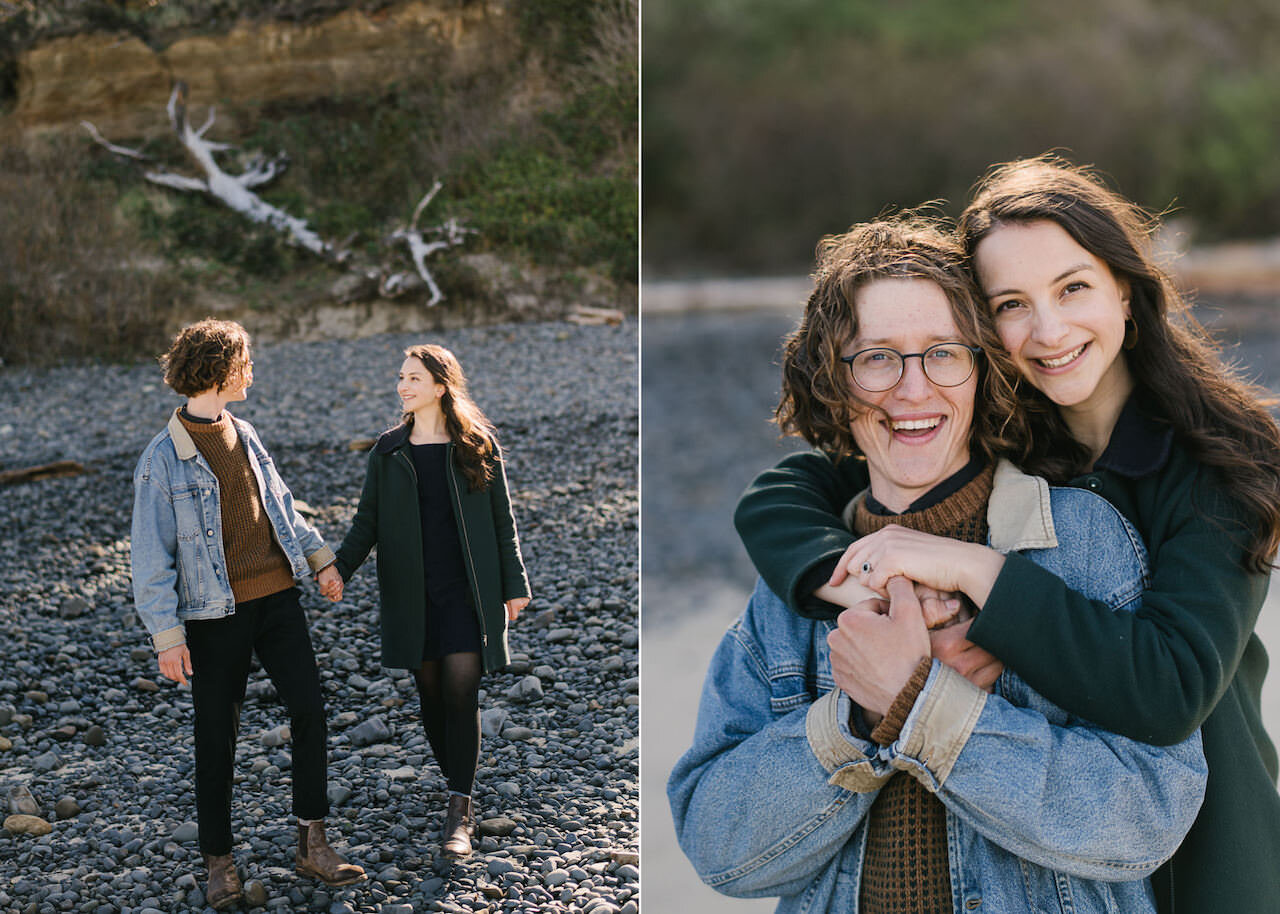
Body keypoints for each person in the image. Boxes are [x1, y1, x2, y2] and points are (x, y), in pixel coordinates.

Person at [734, 156, 1280, 911]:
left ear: (1126, 288)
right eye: (1011, 304)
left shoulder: (1218, 463)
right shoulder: (1008, 435)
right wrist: (850, 581)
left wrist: (974, 572)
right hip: (1049, 861)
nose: (1048, 330)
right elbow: (787, 491)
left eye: (1073, 288)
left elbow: (1170, 686)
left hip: (1205, 857)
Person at [130, 319, 364, 910]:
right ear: (219, 370)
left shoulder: (246, 432)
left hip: (278, 599)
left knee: (310, 708)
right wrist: (166, 636)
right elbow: (149, 557)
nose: (252, 371)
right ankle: (219, 862)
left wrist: (321, 561)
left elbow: (281, 507)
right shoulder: (163, 459)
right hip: (214, 616)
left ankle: (312, 841)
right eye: (246, 362)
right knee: (217, 736)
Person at [331, 343, 531, 858]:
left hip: (467, 590)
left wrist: (514, 584)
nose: (403, 385)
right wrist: (338, 570)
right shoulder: (389, 450)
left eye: (414, 378)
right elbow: (366, 522)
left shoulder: (476, 445)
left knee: (463, 692)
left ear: (441, 386)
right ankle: (456, 778)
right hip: (412, 592)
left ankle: (458, 810)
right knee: (431, 693)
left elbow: (501, 523)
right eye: (401, 377)